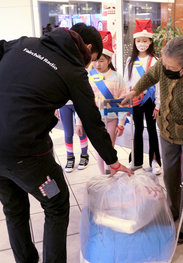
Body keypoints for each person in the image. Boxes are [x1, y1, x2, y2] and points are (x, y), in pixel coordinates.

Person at [0, 23, 133, 263]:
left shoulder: (24, 43)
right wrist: (113, 161)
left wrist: (1, 98)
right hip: (24, 157)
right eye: (92, 58)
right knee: (55, 204)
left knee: (14, 209)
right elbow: (93, 123)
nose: (89, 65)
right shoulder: (74, 71)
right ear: (87, 48)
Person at [121, 36, 183, 244]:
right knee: (170, 174)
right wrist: (135, 91)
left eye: (171, 67)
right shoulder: (164, 63)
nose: (165, 68)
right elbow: (150, 76)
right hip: (166, 131)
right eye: (164, 63)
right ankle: (173, 209)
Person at [76, 30, 126, 175]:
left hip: (111, 120)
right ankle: (104, 176)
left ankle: (111, 174)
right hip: (94, 121)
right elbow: (82, 102)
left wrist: (121, 123)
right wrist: (79, 122)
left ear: (110, 60)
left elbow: (123, 101)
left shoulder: (117, 78)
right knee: (99, 149)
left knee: (108, 148)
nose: (97, 64)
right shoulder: (88, 77)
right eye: (95, 60)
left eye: (102, 60)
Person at [124, 19, 162, 174]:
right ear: (134, 42)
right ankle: (136, 160)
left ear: (150, 42)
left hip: (151, 100)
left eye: (144, 40)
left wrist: (158, 105)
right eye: (138, 40)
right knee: (137, 129)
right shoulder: (130, 61)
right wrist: (127, 102)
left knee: (152, 130)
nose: (141, 43)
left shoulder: (156, 61)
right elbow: (127, 83)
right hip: (135, 100)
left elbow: (159, 84)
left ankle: (155, 161)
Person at [58, 101, 89, 173]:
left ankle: (84, 156)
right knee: (68, 133)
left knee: (81, 132)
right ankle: (70, 158)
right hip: (63, 104)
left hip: (78, 102)